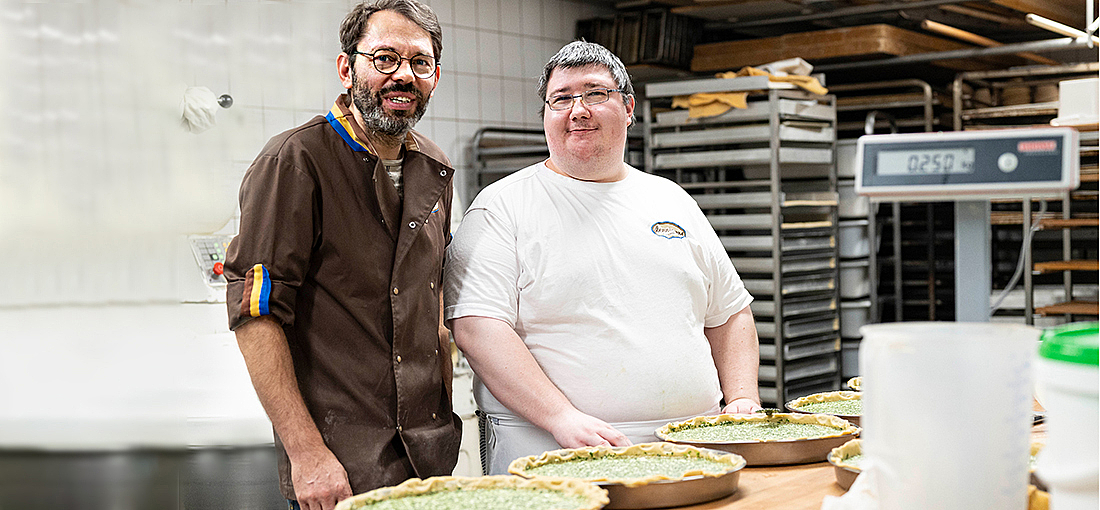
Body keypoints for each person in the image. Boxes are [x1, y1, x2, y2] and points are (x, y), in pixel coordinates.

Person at [443, 40, 762, 475]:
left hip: (690, 446)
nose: (578, 109)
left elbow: (730, 312)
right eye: (562, 99)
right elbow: (478, 328)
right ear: (546, 116)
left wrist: (742, 397)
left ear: (628, 107)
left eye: (595, 93)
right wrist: (561, 417)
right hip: (552, 449)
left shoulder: (669, 199)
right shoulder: (502, 207)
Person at [224, 1, 460, 508]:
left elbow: (432, 298)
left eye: (420, 62)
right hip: (340, 464)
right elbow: (255, 314)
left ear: (435, 76)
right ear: (347, 66)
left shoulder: (434, 168)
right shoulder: (296, 161)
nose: (403, 76)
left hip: (427, 459)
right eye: (385, 58)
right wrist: (306, 454)